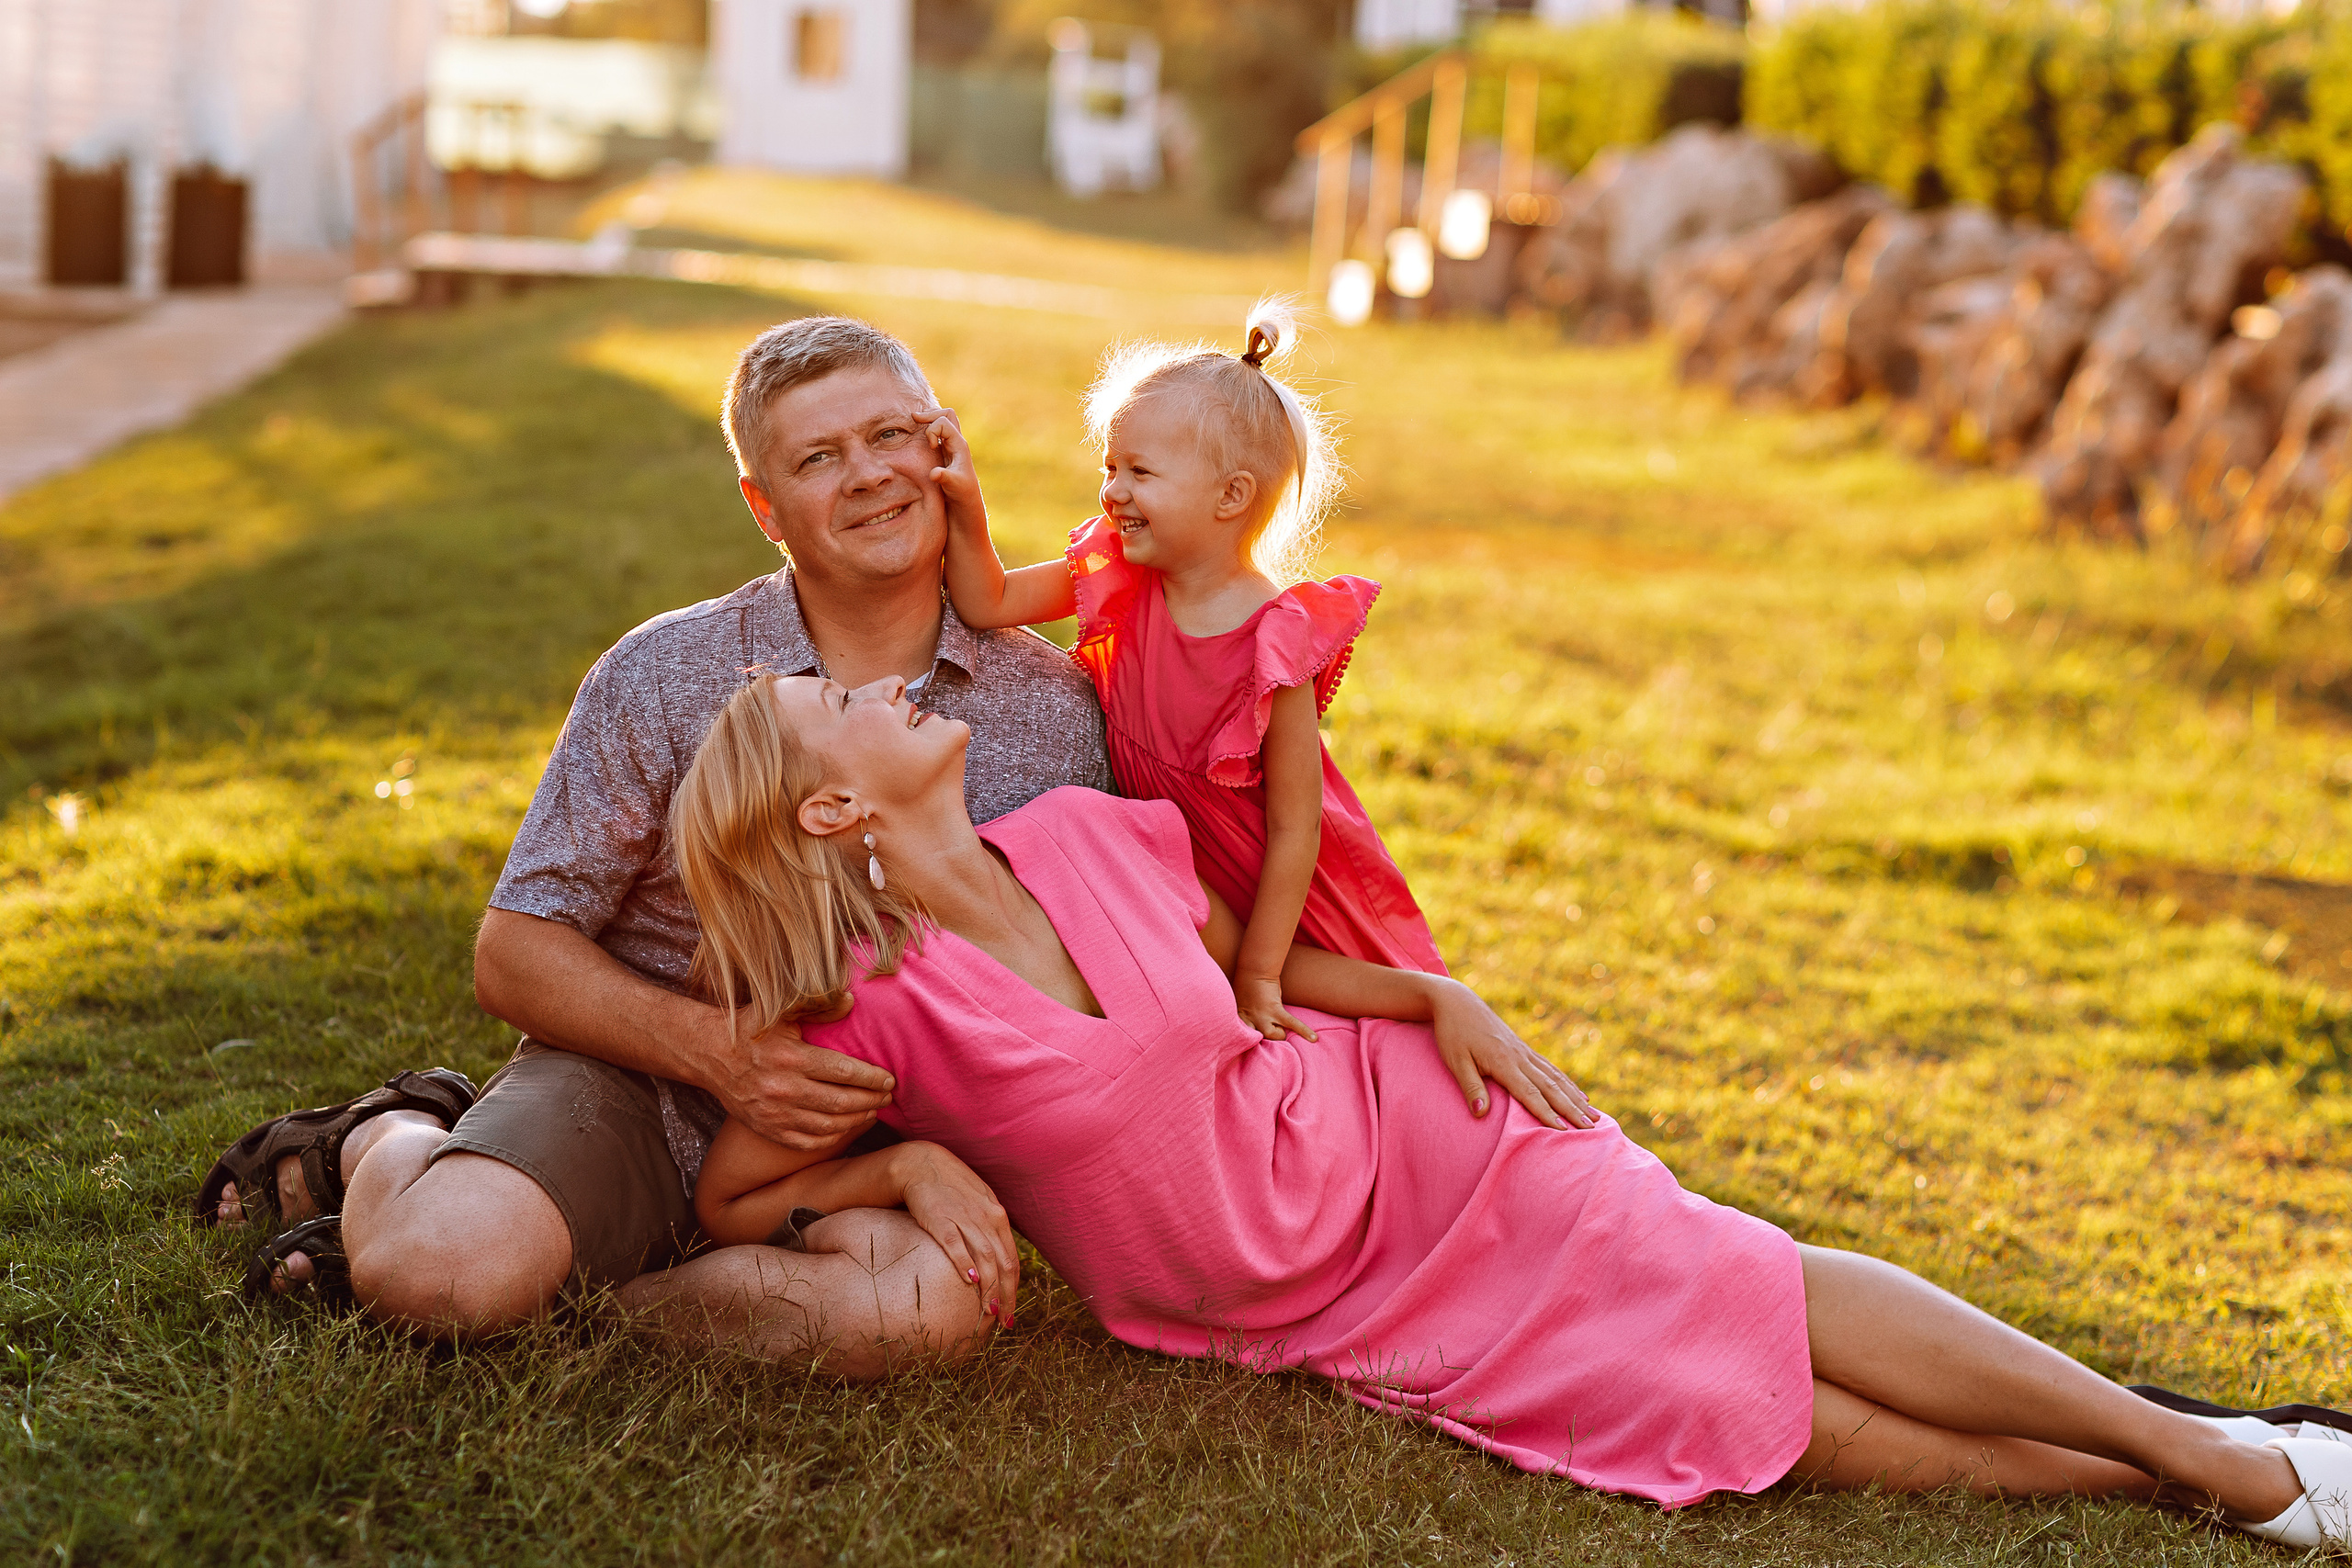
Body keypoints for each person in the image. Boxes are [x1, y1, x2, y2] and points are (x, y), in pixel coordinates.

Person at [669, 669, 2352, 1545]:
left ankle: (2214, 1461)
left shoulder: (1090, 837)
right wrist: (895, 1156)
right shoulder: (869, 1019)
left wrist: (1427, 995)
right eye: (843, 701)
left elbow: (1263, 984)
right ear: (829, 805)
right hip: (1307, 1294)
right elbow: (741, 1196)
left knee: (1731, 1276)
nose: (883, 685)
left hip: (1417, 1139)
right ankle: (2169, 1482)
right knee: (1714, 1406)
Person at [194, 316, 1109, 1374]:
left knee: (922, 1312)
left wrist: (918, 1159)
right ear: (764, 509)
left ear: (944, 448)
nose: (867, 477)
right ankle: (383, 1136)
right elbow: (515, 951)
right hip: (637, 1089)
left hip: (862, 1146)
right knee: (439, 1276)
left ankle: (610, 1295)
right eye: (818, 458)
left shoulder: (1052, 710)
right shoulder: (666, 670)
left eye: (890, 436)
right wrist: (720, 1054)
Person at [936, 303, 1458, 1059]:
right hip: (1182, 870)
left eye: (1139, 472)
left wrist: (1260, 973)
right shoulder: (1122, 572)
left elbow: (1294, 829)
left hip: (1275, 882)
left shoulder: (1276, 642)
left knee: (1368, 1022)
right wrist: (966, 500)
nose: (1112, 492)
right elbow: (988, 600)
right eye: (1109, 468)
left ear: (1231, 496)